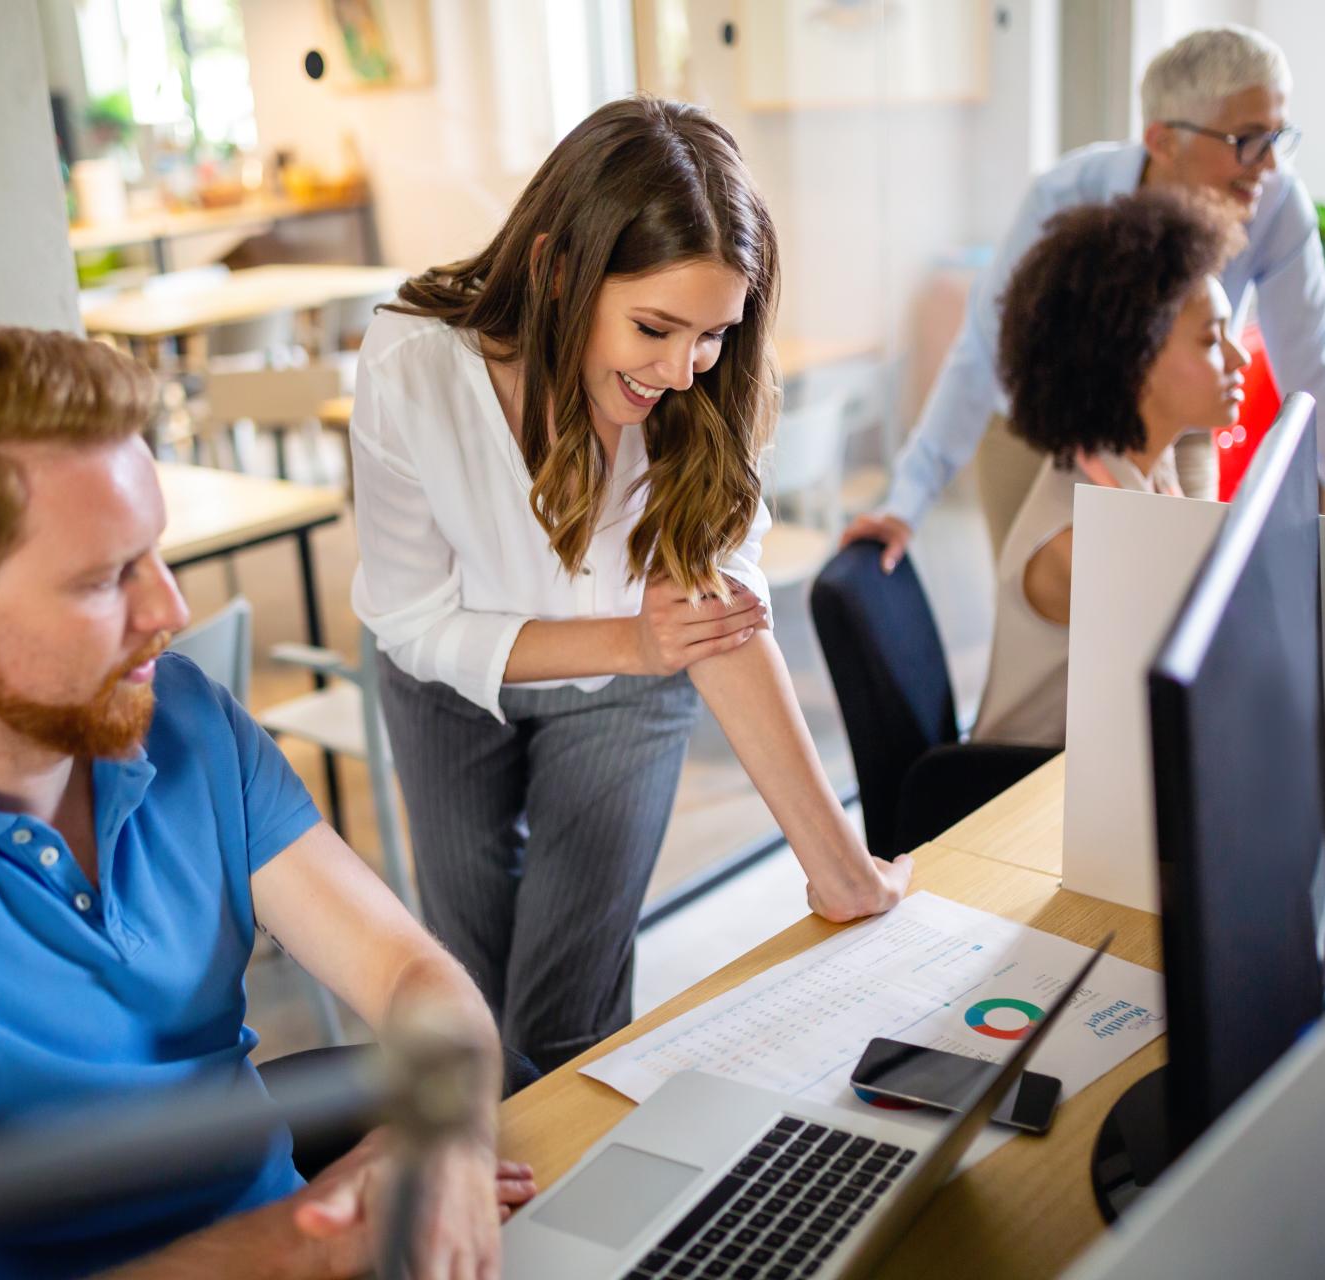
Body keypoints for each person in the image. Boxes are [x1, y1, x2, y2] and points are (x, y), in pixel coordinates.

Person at [0, 323, 533, 1279]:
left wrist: (445, 1138)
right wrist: (288, 1250)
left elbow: (405, 970)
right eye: (106, 578)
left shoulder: (185, 720)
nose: (172, 610)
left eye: (154, 554)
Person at [349, 96, 910, 1074]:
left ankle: (590, 1218)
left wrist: (844, 872)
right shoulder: (412, 363)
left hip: (624, 690)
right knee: (472, 1011)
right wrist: (632, 642)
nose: (684, 370)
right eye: (654, 326)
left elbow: (718, 622)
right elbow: (412, 617)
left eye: (713, 333)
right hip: (448, 683)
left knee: (561, 1023)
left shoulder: (704, 389)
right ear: (558, 269)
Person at [843, 23, 1325, 574]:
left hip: (1174, 427)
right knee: (1051, 611)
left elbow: (1314, 369)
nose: (1270, 165)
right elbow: (982, 351)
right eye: (1248, 140)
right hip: (1041, 435)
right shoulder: (1066, 197)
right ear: (1161, 140)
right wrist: (906, 504)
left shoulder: (1277, 205)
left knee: (1187, 604)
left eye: (1278, 137)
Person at [970, 190, 1248, 748]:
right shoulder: (1082, 542)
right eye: (1210, 338)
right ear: (1135, 361)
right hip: (1013, 800)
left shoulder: (1144, 465)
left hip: (1089, 772)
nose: (1238, 357)